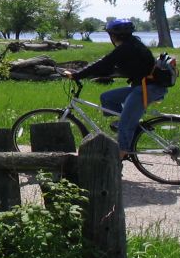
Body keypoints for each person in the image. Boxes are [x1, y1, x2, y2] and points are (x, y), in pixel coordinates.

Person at [64, 19, 167, 159]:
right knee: (107, 97)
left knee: (125, 125)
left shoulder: (126, 48)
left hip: (147, 89)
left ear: (114, 36)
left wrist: (77, 75)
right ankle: (130, 122)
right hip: (143, 87)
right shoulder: (133, 45)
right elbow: (120, 67)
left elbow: (103, 62)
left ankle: (119, 157)